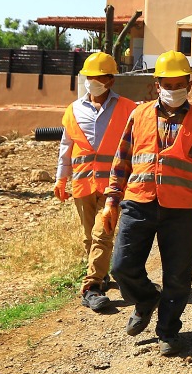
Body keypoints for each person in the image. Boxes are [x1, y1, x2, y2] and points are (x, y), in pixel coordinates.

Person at [101, 50, 192, 356]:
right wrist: (111, 200)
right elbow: (122, 160)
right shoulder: (137, 116)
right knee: (122, 266)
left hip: (180, 210)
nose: (173, 89)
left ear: (189, 86)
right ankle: (145, 299)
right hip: (138, 203)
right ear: (156, 85)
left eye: (180, 84)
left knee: (178, 276)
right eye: (168, 83)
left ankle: (168, 330)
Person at [54, 52, 137, 313]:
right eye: (90, 78)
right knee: (88, 237)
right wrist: (60, 178)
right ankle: (100, 273)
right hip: (82, 184)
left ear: (111, 80)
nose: (93, 82)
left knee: (103, 233)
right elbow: (66, 147)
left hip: (114, 185)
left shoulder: (128, 108)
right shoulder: (73, 109)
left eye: (99, 78)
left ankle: (91, 287)